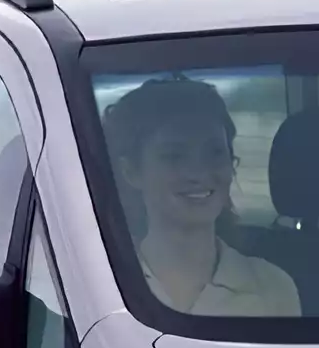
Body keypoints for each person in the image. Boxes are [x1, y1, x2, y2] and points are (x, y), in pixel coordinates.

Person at [104, 75, 300, 317]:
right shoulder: (101, 281)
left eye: (214, 153)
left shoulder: (273, 288)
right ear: (131, 171)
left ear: (231, 164)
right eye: (174, 156)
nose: (197, 172)